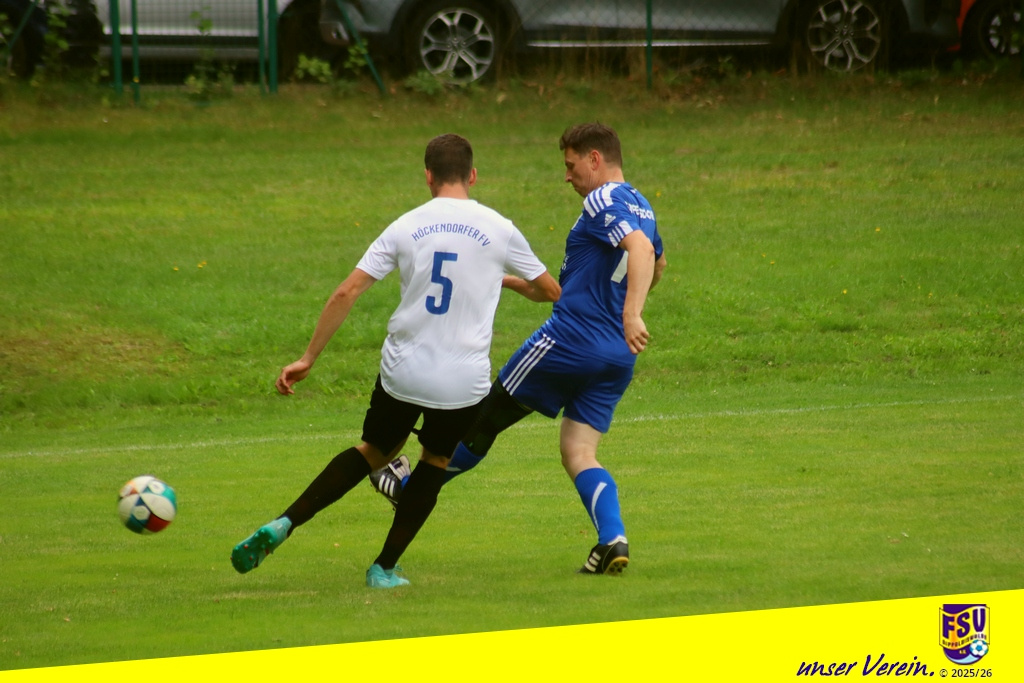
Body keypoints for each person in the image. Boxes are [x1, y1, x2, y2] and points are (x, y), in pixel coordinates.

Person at [230, 133, 560, 588]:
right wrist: (504, 281)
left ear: (427, 176)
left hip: (404, 371)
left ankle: (284, 523)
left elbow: (346, 291)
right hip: (461, 381)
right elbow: (550, 290)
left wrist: (308, 357)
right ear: (473, 176)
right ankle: (383, 568)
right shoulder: (499, 228)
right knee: (435, 461)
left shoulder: (406, 225)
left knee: (373, 451)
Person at [374, 122, 667, 575]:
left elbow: (641, 251)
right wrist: (618, 310)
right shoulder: (642, 205)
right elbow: (656, 263)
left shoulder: (602, 198)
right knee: (579, 452)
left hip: (568, 341)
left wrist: (632, 313)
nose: (567, 176)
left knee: (480, 420)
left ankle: (407, 487)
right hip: (616, 356)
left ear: (595, 159)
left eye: (571, 165)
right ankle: (613, 538)